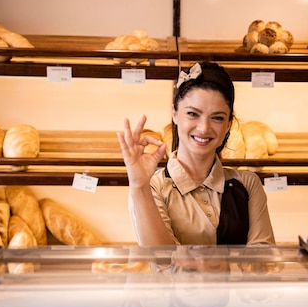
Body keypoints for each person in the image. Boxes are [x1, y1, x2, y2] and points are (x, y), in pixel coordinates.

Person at [117, 61, 275, 246]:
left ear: (229, 124)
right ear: (174, 114)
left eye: (217, 118)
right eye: (193, 114)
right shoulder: (152, 187)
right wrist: (138, 185)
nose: (204, 128)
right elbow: (162, 260)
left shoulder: (247, 185)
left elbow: (262, 263)